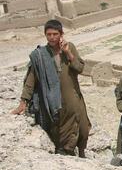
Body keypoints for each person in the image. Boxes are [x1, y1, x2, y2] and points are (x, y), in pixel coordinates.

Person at [12, 19, 91, 157]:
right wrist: (23, 102)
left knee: (83, 129)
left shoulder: (69, 47)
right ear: (45, 35)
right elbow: (31, 79)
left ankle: (82, 153)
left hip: (74, 97)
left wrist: (68, 53)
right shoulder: (40, 55)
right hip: (55, 101)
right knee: (64, 132)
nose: (52, 37)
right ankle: (67, 155)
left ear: (61, 34)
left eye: (55, 34)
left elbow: (79, 68)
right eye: (49, 34)